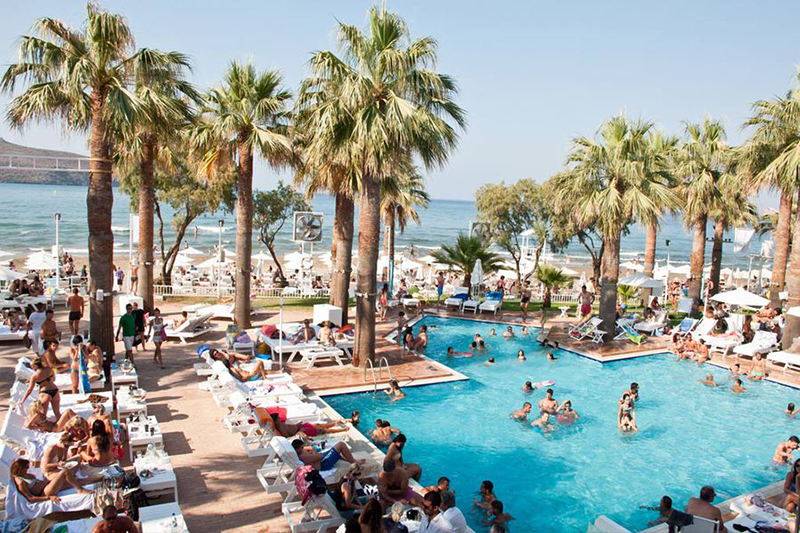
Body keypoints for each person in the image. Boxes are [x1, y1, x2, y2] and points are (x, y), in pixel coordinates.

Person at [11, 458, 86, 505]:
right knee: (64, 472)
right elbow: (30, 498)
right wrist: (49, 497)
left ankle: (97, 479)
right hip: (44, 492)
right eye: (26, 467)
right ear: (20, 468)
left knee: (75, 479)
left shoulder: (24, 475)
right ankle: (80, 490)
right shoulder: (20, 482)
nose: (28, 468)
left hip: (46, 485)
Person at [291, 438, 366, 472]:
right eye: (301, 447)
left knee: (337, 451)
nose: (303, 448)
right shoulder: (303, 456)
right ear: (297, 449)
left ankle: (353, 460)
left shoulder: (300, 451)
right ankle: (355, 464)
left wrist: (313, 453)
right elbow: (319, 456)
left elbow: (310, 448)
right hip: (324, 464)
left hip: (321, 459)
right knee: (341, 445)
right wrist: (314, 452)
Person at [266, 412, 349, 438]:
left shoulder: (280, 424)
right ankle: (341, 429)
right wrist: (299, 431)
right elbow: (288, 436)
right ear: (276, 421)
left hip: (300, 426)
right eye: (278, 418)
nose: (280, 419)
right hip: (301, 430)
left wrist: (297, 425)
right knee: (322, 430)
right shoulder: (280, 427)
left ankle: (333, 424)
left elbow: (290, 427)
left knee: (318, 424)